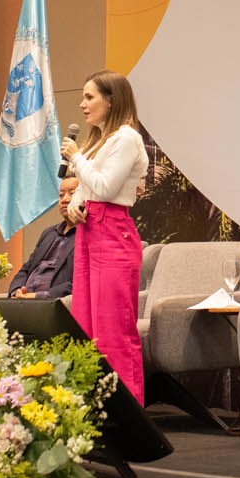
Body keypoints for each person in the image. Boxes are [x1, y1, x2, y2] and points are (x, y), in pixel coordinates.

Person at [61, 70, 148, 402]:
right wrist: (75, 208)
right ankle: (92, 410)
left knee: (114, 332)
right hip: (89, 231)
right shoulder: (101, 140)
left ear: (110, 101)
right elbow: (87, 191)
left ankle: (127, 413)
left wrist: (76, 157)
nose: (82, 104)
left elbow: (106, 187)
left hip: (113, 234)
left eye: (89, 97)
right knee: (86, 327)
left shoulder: (127, 138)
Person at [8, 175, 79, 300]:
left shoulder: (88, 236)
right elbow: (26, 269)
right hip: (25, 301)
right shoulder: (48, 233)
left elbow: (80, 283)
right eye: (61, 195)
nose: (65, 200)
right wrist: (16, 292)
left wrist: (38, 296)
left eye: (72, 193)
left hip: (54, 303)